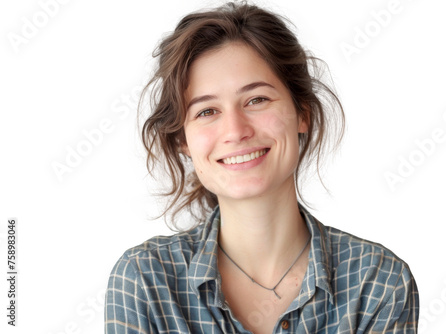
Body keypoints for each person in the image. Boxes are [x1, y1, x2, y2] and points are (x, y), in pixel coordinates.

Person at [105, 2, 419, 333]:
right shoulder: (144, 280)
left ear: (303, 113)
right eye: (207, 111)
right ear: (183, 140)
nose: (236, 131)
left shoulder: (378, 282)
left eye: (257, 100)